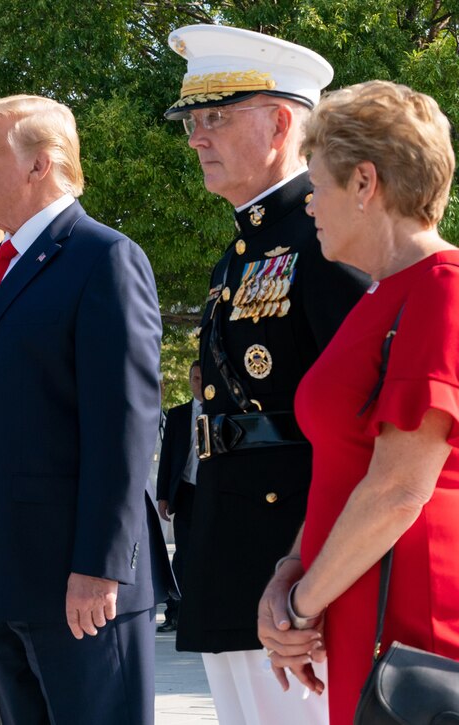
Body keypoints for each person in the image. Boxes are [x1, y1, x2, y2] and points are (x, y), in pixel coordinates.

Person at [0, 94, 171, 725]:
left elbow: (125, 425)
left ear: (40, 164)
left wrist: (99, 565)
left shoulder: (104, 257)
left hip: (78, 585)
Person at [163, 26, 370, 724]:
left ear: (281, 121)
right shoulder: (240, 251)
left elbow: (362, 420)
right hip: (232, 546)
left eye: (215, 117)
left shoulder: (326, 233)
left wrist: (312, 565)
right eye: (193, 121)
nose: (197, 137)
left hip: (298, 567)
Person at [258, 80, 459, 724]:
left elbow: (400, 489)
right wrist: (292, 569)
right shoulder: (382, 295)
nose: (310, 205)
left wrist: (299, 607)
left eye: (317, 185)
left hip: (415, 615)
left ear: (365, 183)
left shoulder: (441, 290)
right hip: (362, 603)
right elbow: (345, 466)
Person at [155, 360, 202, 633]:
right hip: (185, 492)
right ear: (189, 380)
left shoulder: (223, 411)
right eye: (195, 378)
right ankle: (176, 611)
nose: (199, 383)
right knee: (183, 555)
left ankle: (204, 609)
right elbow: (168, 460)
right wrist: (164, 496)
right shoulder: (178, 415)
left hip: (213, 492)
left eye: (203, 378)